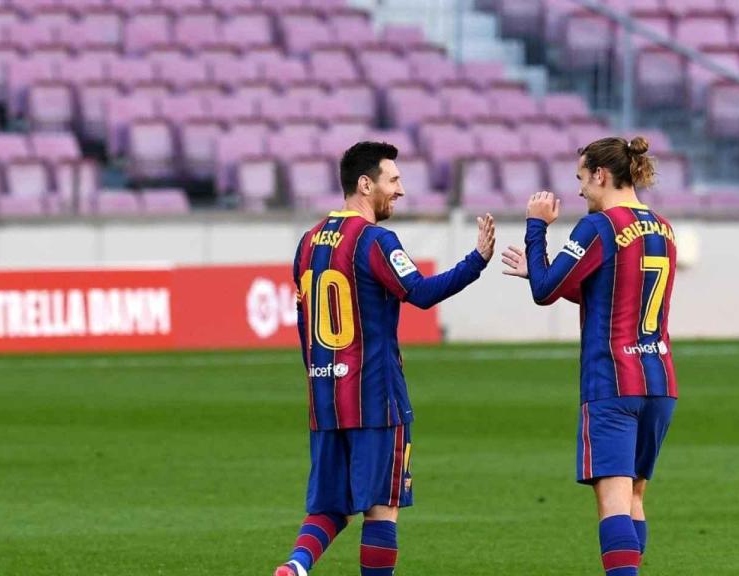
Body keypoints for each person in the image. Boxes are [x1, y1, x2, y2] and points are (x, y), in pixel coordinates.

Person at [276, 141, 495, 576]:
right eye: (393, 180)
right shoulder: (375, 240)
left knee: (330, 505)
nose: (400, 190)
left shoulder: (307, 242)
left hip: (326, 398)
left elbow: (303, 324)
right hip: (376, 397)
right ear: (364, 183)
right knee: (382, 508)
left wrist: (320, 378)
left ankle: (296, 566)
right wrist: (477, 261)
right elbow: (422, 292)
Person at [502, 137, 677, 576]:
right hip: (658, 380)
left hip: (612, 381)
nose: (580, 190)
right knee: (635, 496)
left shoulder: (599, 226)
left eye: (581, 178)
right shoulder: (663, 227)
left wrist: (536, 226)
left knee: (612, 501)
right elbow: (606, 293)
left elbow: (544, 291)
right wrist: (541, 271)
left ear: (600, 174)